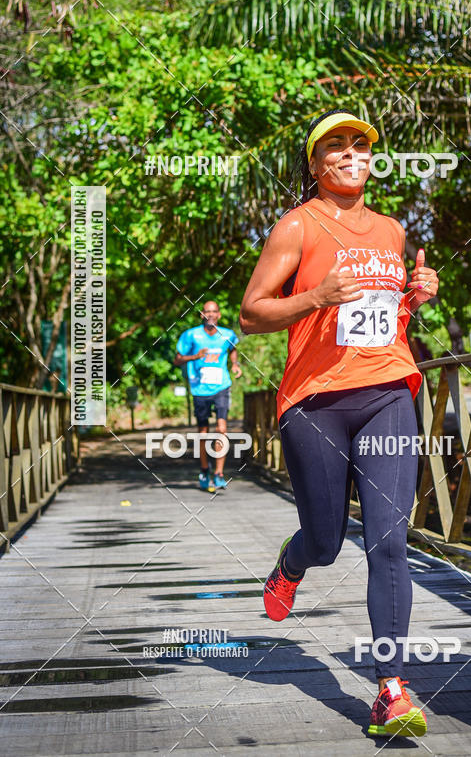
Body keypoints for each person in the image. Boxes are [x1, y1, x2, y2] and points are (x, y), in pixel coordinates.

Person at [240, 109, 439, 738]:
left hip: (388, 393)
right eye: (336, 145)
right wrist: (315, 298)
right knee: (326, 540)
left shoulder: (392, 230)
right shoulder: (296, 226)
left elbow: (385, 315)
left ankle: (391, 690)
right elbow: (252, 313)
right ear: (315, 162)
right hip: (316, 401)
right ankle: (293, 563)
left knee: (388, 542)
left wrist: (414, 295)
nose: (351, 152)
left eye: (360, 144)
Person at [174, 301, 242, 492]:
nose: (210, 315)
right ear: (202, 315)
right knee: (203, 433)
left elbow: (233, 348)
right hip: (199, 389)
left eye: (214, 312)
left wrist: (235, 364)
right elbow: (177, 359)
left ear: (219, 315)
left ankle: (219, 473)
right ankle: (205, 470)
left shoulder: (227, 334)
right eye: (207, 312)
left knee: (222, 429)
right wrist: (194, 357)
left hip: (221, 385)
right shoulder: (191, 335)